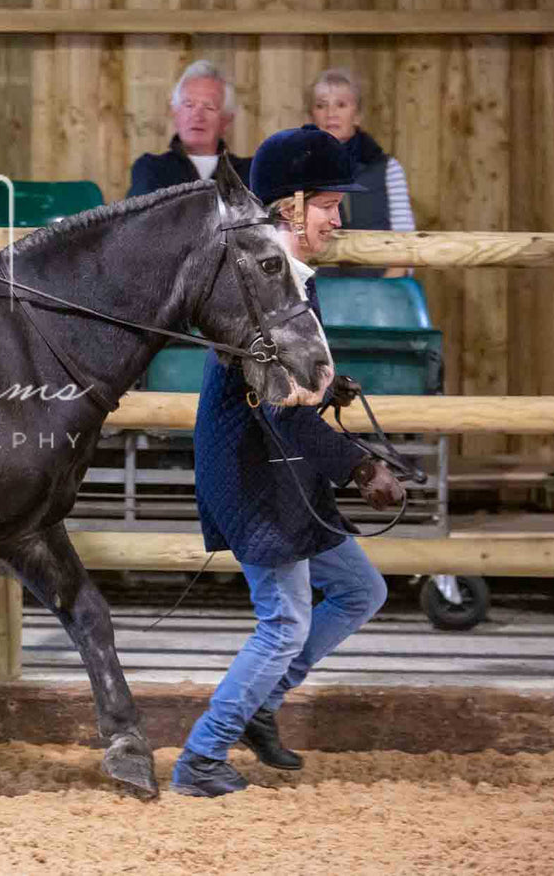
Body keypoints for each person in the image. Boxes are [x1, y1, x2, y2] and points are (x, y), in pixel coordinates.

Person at [171, 125, 406, 798]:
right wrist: (360, 467)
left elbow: (291, 385)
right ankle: (200, 757)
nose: (337, 219)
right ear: (288, 206)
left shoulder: (290, 278)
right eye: (328, 205)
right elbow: (279, 404)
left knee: (362, 591)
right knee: (284, 622)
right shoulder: (258, 283)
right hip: (253, 471)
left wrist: (330, 385)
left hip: (284, 466)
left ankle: (261, 705)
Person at [308, 67, 414, 277]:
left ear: (357, 116)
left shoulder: (387, 169)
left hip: (382, 288)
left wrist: (385, 290)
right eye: (321, 105)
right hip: (318, 293)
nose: (331, 113)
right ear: (312, 117)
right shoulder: (295, 170)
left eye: (341, 104)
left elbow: (406, 240)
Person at [127, 60, 252, 197]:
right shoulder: (150, 169)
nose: (197, 116)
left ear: (226, 120)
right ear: (175, 113)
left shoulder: (249, 173)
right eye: (188, 105)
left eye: (209, 107)